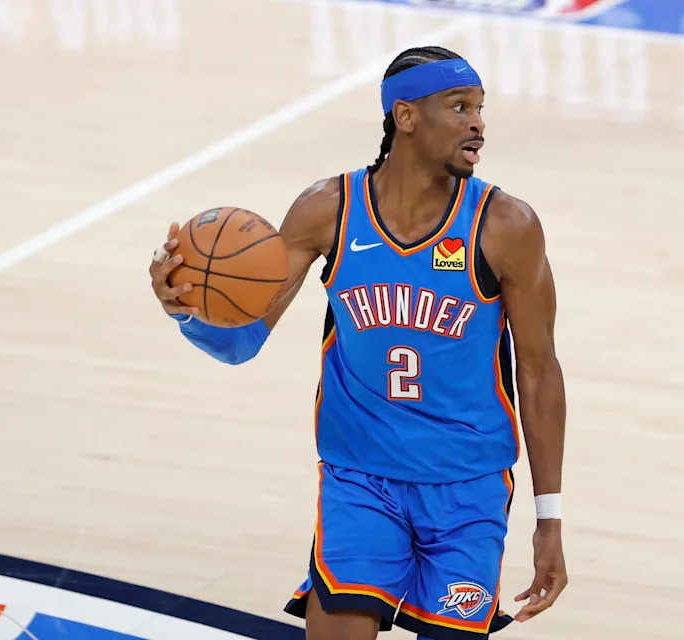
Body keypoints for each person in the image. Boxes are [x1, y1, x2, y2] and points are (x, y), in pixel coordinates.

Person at [148, 46, 567, 640]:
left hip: (467, 489)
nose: (478, 123)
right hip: (359, 479)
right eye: (458, 106)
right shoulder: (329, 210)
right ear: (406, 116)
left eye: (479, 108)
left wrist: (549, 518)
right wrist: (187, 311)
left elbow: (539, 372)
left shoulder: (505, 225)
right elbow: (241, 343)